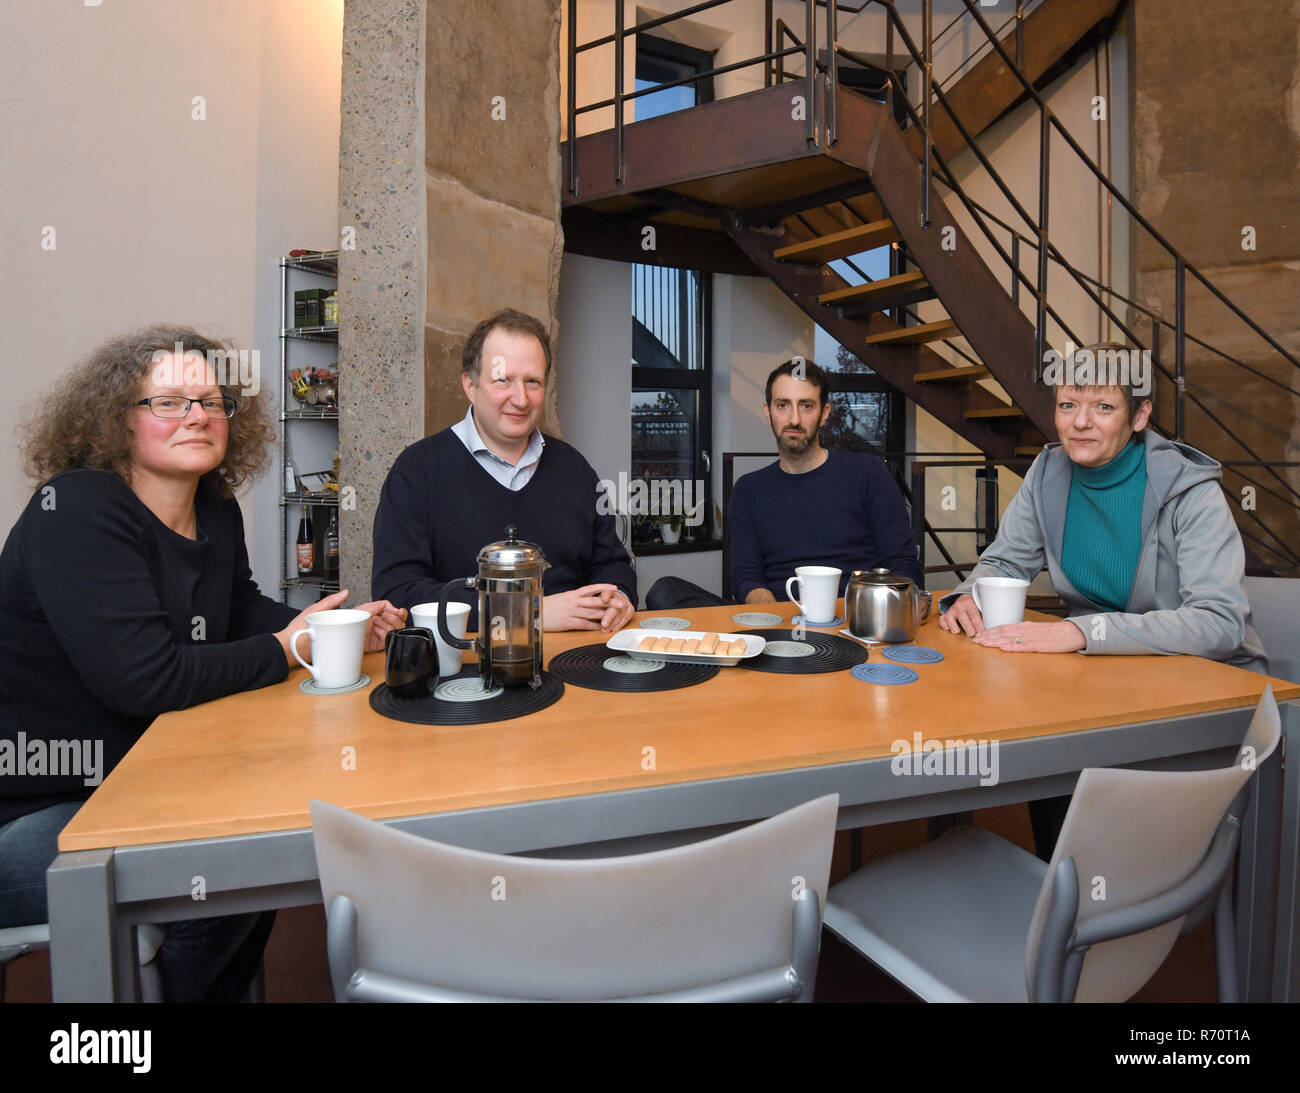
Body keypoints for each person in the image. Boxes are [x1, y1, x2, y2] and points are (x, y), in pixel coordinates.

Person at [0, 326, 405, 1001]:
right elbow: (146, 678)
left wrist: (341, 630)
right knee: (226, 864)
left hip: (150, 776)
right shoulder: (75, 510)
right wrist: (287, 648)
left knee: (261, 842)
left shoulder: (214, 509)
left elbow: (241, 609)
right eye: (168, 402)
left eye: (212, 402)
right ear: (116, 422)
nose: (197, 415)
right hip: (41, 808)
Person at [937, 342, 1267, 854]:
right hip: (1104, 682)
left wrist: (1080, 631)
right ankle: (1066, 897)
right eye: (1068, 405)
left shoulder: (1191, 489)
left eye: (1103, 407)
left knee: (1053, 748)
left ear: (1140, 416)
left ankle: (1097, 897)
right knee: (1036, 736)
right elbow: (1004, 562)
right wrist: (965, 596)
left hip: (1203, 694)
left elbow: (1219, 623)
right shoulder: (1047, 473)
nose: (1079, 423)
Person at [372, 309, 637, 633]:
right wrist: (525, 613)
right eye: (504, 380)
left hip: (579, 661)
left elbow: (612, 565)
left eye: (533, 382)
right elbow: (398, 597)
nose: (521, 399)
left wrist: (618, 596)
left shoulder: (576, 468)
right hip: (466, 672)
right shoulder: (415, 474)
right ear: (470, 385)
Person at [650, 359, 921, 609]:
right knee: (665, 591)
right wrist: (768, 610)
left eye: (806, 405)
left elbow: (902, 564)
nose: (794, 419)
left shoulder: (868, 472)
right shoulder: (748, 490)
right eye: (783, 405)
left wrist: (874, 609)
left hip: (852, 615)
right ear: (768, 413)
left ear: (824, 413)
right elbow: (745, 576)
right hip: (775, 619)